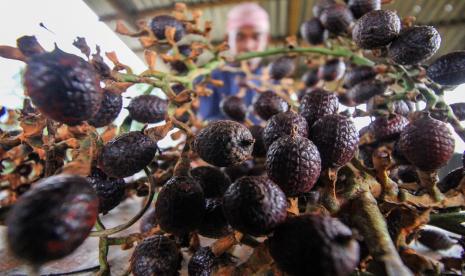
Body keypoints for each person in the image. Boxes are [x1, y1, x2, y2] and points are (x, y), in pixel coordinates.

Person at [197, 2, 270, 121]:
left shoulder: (275, 83)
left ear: (266, 40)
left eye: (256, 37)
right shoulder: (209, 80)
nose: (248, 46)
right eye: (239, 37)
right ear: (227, 39)